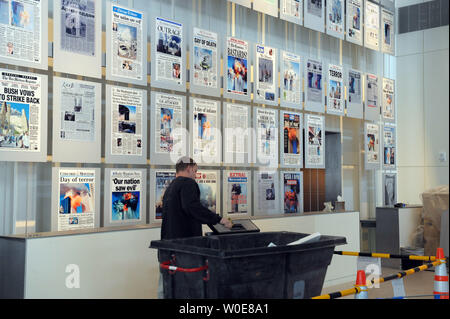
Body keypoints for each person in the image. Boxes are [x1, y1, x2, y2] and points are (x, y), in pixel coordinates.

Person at [160, 156, 232, 240]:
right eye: (195, 171)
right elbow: (193, 208)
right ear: (189, 168)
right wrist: (219, 220)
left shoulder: (171, 187)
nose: (195, 175)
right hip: (186, 242)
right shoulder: (188, 183)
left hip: (170, 241)